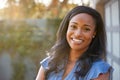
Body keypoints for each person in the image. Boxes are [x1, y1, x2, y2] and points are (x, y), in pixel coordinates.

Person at [36, 6, 113, 80]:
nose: (77, 34)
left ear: (94, 33)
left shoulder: (99, 71)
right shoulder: (49, 62)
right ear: (67, 28)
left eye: (86, 29)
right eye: (73, 26)